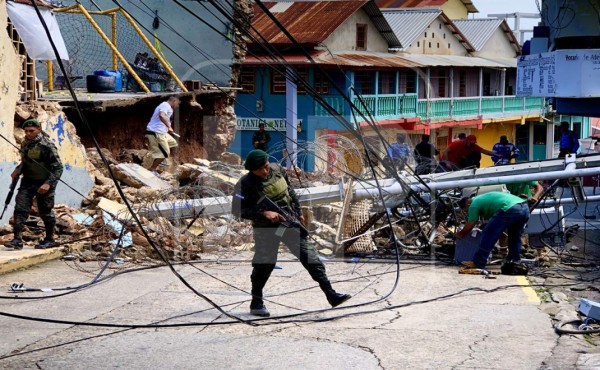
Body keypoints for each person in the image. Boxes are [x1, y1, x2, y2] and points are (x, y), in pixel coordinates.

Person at [232, 149, 351, 317]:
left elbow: (290, 191)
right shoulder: (245, 183)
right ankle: (256, 302)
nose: (265, 172)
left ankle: (331, 294)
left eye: (266, 167)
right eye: (260, 170)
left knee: (311, 258)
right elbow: (238, 211)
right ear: (251, 170)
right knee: (264, 265)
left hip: (288, 223)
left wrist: (298, 211)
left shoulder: (278, 170)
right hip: (266, 230)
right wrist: (263, 213)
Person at [4, 119, 63, 250]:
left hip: (44, 183)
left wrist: (48, 184)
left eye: (32, 131)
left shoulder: (46, 145)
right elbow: (26, 162)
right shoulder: (25, 143)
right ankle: (17, 239)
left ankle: (49, 239)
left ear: (39, 130)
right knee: (20, 209)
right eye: (26, 131)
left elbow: (58, 168)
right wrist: (18, 169)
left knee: (45, 212)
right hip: (28, 182)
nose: (28, 133)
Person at [456, 192, 529, 275]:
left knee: (488, 234)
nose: (469, 212)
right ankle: (514, 262)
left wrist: (460, 233)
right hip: (524, 208)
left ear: (467, 203)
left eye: (467, 210)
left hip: (510, 208)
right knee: (514, 236)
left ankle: (478, 262)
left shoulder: (473, 204)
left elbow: (471, 223)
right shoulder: (482, 198)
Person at [145, 96, 180, 174]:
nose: (177, 106)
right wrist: (169, 127)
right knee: (165, 153)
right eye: (177, 103)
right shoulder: (165, 105)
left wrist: (167, 129)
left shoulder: (168, 107)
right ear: (174, 101)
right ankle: (152, 169)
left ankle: (159, 158)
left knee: (173, 142)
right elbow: (162, 115)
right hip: (156, 132)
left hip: (162, 132)